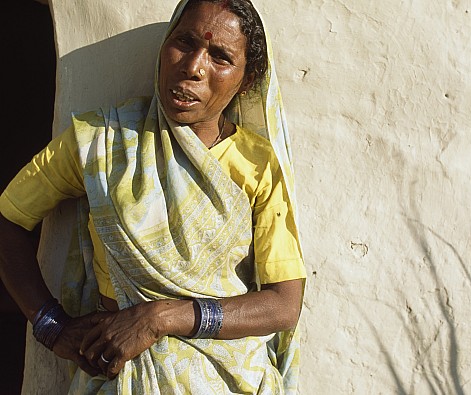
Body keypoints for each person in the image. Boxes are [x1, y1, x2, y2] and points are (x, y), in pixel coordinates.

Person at [0, 0, 306, 393]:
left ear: (246, 82)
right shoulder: (101, 143)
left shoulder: (257, 164)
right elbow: (8, 220)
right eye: (184, 42)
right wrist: (50, 325)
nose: (193, 67)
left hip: (226, 380)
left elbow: (283, 304)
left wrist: (161, 317)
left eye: (220, 57)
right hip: (119, 377)